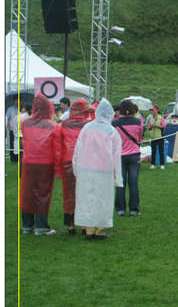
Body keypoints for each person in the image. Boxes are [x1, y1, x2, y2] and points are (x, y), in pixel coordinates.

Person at [73, 99, 123, 240]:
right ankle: (100, 229)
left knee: (87, 199)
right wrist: (118, 178)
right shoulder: (112, 132)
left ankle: (89, 228)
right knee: (103, 200)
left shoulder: (86, 128)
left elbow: (77, 150)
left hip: (85, 170)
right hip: (104, 171)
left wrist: (76, 169)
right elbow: (116, 156)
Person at [20, 93, 61, 235]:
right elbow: (57, 148)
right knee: (43, 194)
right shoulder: (53, 126)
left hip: (28, 163)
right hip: (45, 164)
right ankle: (41, 226)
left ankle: (27, 225)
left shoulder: (25, 123)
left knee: (27, 193)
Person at [58, 98, 91, 234]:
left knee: (69, 193)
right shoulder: (88, 125)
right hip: (84, 161)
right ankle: (84, 225)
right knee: (84, 192)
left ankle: (70, 224)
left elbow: (60, 143)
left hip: (67, 161)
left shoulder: (65, 123)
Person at [112, 100, 144, 216]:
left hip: (120, 155)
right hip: (134, 154)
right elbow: (140, 137)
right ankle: (134, 209)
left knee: (120, 183)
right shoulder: (138, 122)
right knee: (133, 183)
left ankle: (120, 209)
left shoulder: (114, 123)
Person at [6, 97, 19, 163]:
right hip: (12, 129)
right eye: (16, 100)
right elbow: (7, 118)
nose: (17, 102)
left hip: (20, 130)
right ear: (14, 101)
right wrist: (8, 126)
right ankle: (13, 159)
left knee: (19, 144)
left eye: (19, 101)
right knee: (12, 144)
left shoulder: (22, 109)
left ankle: (18, 158)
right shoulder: (10, 109)